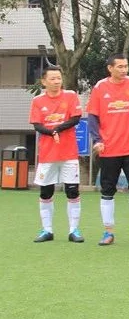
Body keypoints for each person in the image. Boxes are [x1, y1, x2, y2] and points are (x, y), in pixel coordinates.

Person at [87, 53, 129, 246]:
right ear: (110, 68)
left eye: (126, 66)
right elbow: (92, 116)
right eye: (120, 66)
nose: (124, 70)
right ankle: (108, 231)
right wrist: (97, 140)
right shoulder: (100, 87)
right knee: (107, 190)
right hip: (109, 148)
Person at [29, 65, 84, 243]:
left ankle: (74, 230)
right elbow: (37, 125)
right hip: (47, 155)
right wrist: (51, 132)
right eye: (52, 79)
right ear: (44, 81)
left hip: (69, 154)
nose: (56, 82)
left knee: (72, 191)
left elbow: (75, 118)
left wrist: (58, 129)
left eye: (59, 78)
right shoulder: (38, 101)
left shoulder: (70, 96)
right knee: (46, 192)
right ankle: (47, 230)